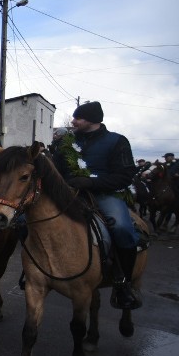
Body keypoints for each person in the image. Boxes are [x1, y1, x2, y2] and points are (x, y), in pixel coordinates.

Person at [51, 101, 141, 310]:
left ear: (91, 120)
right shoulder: (66, 142)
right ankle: (32, 273)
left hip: (105, 194)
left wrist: (92, 182)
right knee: (33, 218)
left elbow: (125, 175)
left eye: (78, 118)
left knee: (121, 227)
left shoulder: (117, 141)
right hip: (70, 193)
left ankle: (123, 283)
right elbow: (55, 169)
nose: (73, 122)